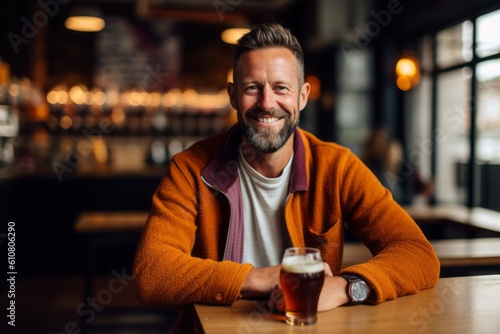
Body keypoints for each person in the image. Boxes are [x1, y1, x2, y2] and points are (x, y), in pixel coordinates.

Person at [133, 22, 439, 326]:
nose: (267, 103)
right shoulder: (189, 168)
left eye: (281, 88)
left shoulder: (337, 167)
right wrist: (264, 278)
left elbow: (417, 254)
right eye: (253, 88)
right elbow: (153, 274)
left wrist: (349, 286)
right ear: (233, 96)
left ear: (303, 96)